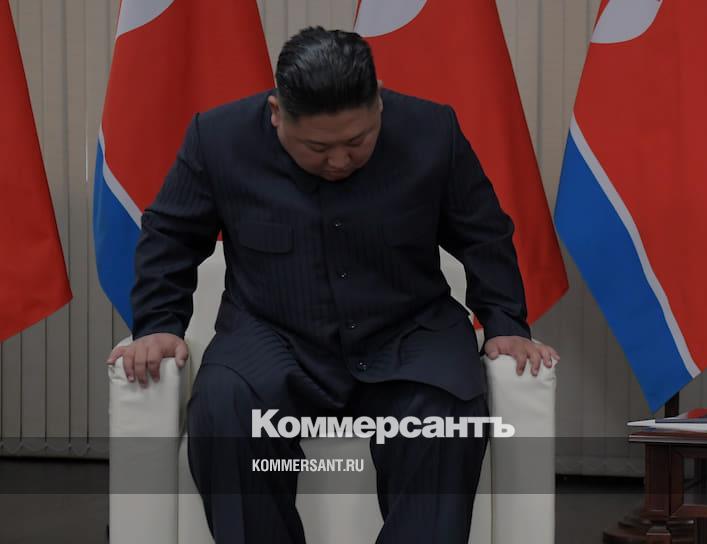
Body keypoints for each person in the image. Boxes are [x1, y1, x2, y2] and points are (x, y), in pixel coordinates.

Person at [105, 26, 559, 544]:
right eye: (318, 147)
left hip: (409, 331)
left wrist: (505, 323)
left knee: (447, 417)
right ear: (276, 113)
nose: (340, 161)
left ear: (378, 102)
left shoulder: (434, 131)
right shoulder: (218, 139)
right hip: (272, 333)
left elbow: (483, 233)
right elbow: (170, 236)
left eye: (358, 141)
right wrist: (159, 325)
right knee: (225, 410)